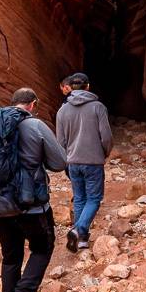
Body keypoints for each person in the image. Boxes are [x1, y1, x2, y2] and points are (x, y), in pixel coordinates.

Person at [0, 87, 67, 292]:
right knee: (42, 247)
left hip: (0, 205)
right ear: (32, 105)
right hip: (32, 205)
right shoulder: (35, 126)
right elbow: (59, 162)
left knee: (11, 257)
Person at [55, 72, 112, 252]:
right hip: (93, 161)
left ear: (70, 88)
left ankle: (82, 240)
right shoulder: (98, 107)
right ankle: (78, 230)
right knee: (94, 198)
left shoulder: (62, 111)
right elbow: (107, 137)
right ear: (88, 86)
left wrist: (67, 157)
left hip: (73, 162)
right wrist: (103, 153)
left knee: (79, 198)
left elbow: (60, 141)